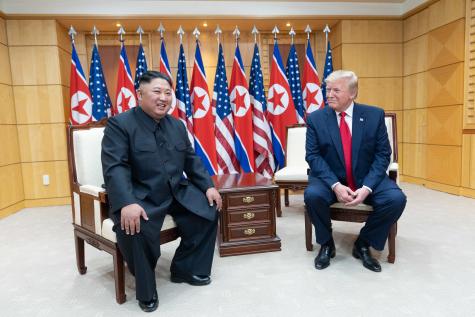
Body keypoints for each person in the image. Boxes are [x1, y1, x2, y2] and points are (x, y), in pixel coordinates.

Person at [101, 71, 222, 312]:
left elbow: (191, 160)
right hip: (140, 196)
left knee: (209, 210)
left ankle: (186, 269)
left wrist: (208, 186)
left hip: (175, 191)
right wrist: (126, 202)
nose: (163, 98)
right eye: (157, 91)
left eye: (168, 93)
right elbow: (115, 167)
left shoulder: (176, 125)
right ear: (140, 94)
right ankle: (146, 291)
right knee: (135, 228)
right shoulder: (120, 124)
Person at [304, 70, 406, 272]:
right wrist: (335, 185)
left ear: (352, 93)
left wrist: (367, 187)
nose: (329, 94)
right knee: (313, 195)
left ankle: (364, 243)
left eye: (336, 90)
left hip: (367, 178)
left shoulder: (374, 115)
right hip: (331, 179)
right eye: (328, 89)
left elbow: (383, 155)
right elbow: (313, 156)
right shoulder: (316, 119)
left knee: (396, 200)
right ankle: (326, 243)